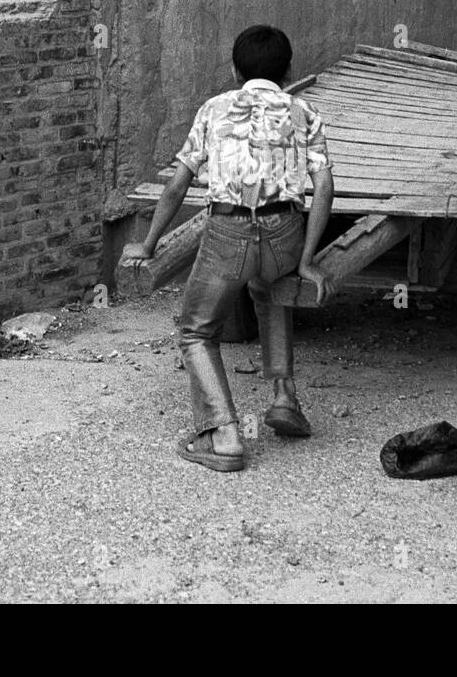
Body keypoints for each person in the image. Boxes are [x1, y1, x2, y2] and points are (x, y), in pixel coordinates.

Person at [122, 25, 335, 472]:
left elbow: (177, 185)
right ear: (288, 69)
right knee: (269, 289)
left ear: (235, 70)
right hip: (284, 231)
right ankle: (283, 399)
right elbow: (324, 186)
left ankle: (223, 435)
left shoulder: (214, 109)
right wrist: (308, 260)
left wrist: (148, 242)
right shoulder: (304, 112)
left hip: (229, 233)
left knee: (196, 331)